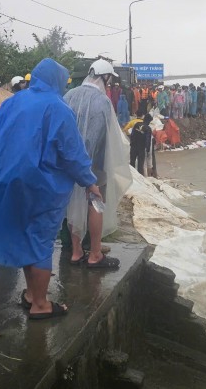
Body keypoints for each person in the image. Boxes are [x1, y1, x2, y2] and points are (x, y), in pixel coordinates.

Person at [0, 59, 101, 320]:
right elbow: (72, 153)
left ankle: (30, 294)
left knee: (26, 236)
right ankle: (40, 304)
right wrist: (89, 181)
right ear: (58, 81)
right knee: (40, 240)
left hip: (7, 179)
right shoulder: (59, 108)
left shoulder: (13, 102)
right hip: (41, 185)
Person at [62, 59, 133, 268]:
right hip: (94, 165)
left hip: (69, 163)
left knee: (72, 204)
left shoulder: (68, 96)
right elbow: (103, 138)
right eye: (109, 80)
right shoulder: (102, 101)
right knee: (96, 204)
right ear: (105, 77)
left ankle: (75, 253)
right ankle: (94, 254)